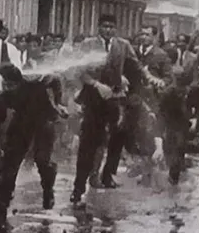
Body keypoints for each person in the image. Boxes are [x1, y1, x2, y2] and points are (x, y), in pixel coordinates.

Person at [70, 14, 164, 204]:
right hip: (93, 100)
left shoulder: (122, 45)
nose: (108, 30)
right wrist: (96, 85)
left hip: (114, 100)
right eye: (105, 26)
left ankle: (107, 173)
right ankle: (78, 188)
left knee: (117, 136)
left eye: (112, 27)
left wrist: (151, 78)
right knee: (89, 144)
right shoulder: (88, 45)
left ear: (116, 29)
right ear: (98, 27)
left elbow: (136, 66)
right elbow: (79, 71)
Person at [0, 64, 68, 226]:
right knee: (9, 164)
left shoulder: (35, 83)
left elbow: (56, 79)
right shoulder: (4, 96)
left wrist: (58, 103)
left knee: (42, 160)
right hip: (22, 124)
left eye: (11, 84)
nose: (8, 87)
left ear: (19, 81)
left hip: (43, 121)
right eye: (5, 84)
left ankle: (48, 191)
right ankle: (2, 204)